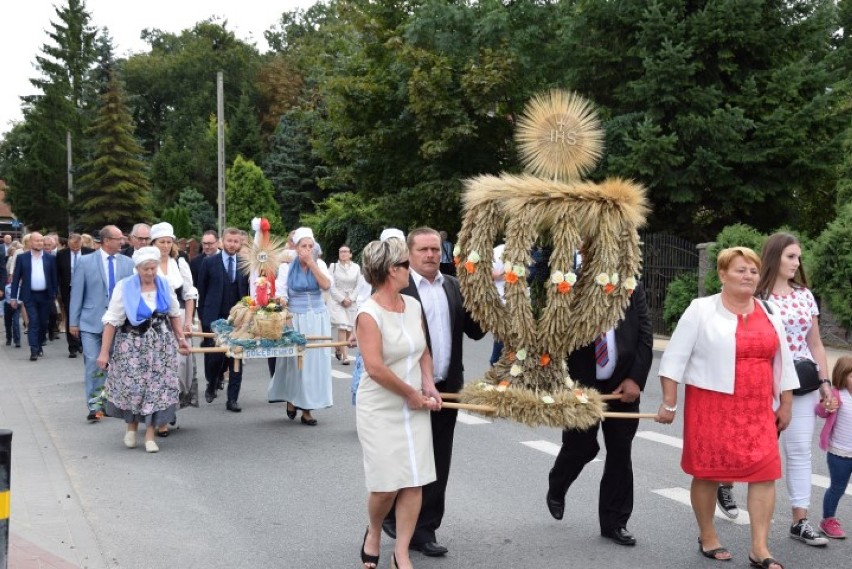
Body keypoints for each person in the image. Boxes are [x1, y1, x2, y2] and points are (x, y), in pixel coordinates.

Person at [656, 246, 798, 569]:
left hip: (758, 408)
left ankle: (759, 548)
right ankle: (708, 535)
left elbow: (783, 361)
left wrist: (785, 403)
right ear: (722, 275)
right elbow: (674, 358)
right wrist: (669, 402)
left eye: (753, 271)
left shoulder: (768, 312)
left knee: (765, 473)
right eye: (740, 270)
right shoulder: (700, 310)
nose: (748, 276)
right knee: (707, 472)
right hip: (712, 406)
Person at [382, 227, 485, 557]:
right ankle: (390, 515)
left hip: (446, 386)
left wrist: (490, 297)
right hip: (407, 388)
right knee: (405, 458)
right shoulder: (399, 286)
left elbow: (476, 330)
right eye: (424, 250)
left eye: (435, 249)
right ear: (409, 254)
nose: (430, 255)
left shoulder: (453, 286)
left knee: (439, 459)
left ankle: (425, 529)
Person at [356, 238, 441, 569]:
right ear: (392, 270)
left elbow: (422, 351)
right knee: (386, 485)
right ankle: (374, 531)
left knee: (414, 478)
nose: (411, 269)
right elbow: (375, 368)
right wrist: (410, 394)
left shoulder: (413, 306)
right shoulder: (368, 313)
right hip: (381, 406)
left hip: (415, 402)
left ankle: (401, 551)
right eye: (406, 264)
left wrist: (429, 385)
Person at [546, 284, 652, 546]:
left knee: (620, 452)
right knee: (580, 446)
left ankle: (615, 523)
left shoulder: (631, 284)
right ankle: (558, 485)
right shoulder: (569, 281)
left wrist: (635, 379)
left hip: (622, 384)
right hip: (581, 382)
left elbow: (645, 334)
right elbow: (552, 331)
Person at [757, 232, 834, 547]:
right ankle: (725, 482)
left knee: (800, 450)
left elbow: (814, 343)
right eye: (791, 256)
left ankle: (800, 520)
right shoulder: (757, 296)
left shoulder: (805, 294)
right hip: (766, 383)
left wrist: (826, 383)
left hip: (803, 382)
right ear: (775, 257)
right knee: (757, 449)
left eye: (798, 257)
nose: (796, 262)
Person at [97, 247, 190, 453]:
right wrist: (104, 353)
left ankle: (149, 435)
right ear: (137, 268)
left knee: (156, 390)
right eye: (146, 269)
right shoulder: (124, 287)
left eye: (153, 268)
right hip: (132, 345)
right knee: (134, 389)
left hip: (160, 346)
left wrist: (181, 339)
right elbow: (112, 321)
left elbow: (174, 314)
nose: (150, 272)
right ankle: (131, 427)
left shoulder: (164, 285)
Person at [69, 226, 136, 421]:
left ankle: (111, 403)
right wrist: (73, 321)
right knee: (93, 362)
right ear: (106, 241)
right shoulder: (85, 261)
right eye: (118, 239)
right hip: (91, 321)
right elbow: (77, 293)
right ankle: (95, 406)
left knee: (114, 363)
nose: (122, 242)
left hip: (119, 323)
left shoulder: (128, 263)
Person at [269, 227, 332, 425]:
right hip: (296, 318)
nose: (307, 249)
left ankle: (307, 409)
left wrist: (312, 263)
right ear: (296, 248)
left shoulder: (319, 263)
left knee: (315, 363)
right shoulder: (287, 267)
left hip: (318, 317)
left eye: (310, 246)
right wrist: (282, 301)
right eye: (303, 246)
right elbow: (281, 291)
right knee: (296, 363)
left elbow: (326, 285)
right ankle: (291, 398)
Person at [150, 222, 199, 432]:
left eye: (169, 242)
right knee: (159, 369)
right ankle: (160, 417)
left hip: (177, 318)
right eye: (162, 242)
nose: (165, 245)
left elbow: (189, 294)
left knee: (178, 368)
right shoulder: (147, 264)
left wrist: (188, 320)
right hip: (155, 322)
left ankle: (170, 408)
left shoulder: (179, 263)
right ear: (154, 243)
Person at [197, 227, 249, 411]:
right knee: (216, 357)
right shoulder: (209, 263)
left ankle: (232, 399)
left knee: (236, 357)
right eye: (229, 241)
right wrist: (202, 317)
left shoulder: (245, 263)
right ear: (222, 241)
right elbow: (201, 292)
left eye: (236, 241)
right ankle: (212, 382)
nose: (232, 244)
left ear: (240, 243)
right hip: (214, 316)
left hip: (238, 318)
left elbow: (248, 291)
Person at [816, 356, 852, 539]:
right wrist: (827, 405)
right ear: (842, 376)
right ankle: (828, 520)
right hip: (840, 453)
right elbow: (820, 411)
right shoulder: (837, 395)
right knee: (838, 487)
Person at [9, 232, 58, 362]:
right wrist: (13, 297)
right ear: (30, 242)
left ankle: (40, 342)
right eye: (36, 241)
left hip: (45, 296)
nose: (39, 243)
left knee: (43, 323)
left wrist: (54, 294)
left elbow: (54, 278)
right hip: (29, 295)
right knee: (33, 321)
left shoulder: (50, 258)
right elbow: (15, 279)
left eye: (41, 241)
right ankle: (34, 350)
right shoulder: (22, 258)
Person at [56, 234, 94, 358]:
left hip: (87, 289)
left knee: (85, 315)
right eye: (73, 247)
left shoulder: (90, 253)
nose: (75, 250)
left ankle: (83, 342)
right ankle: (72, 346)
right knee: (71, 316)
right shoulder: (62, 254)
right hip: (69, 290)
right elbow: (58, 273)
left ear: (81, 244)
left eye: (77, 247)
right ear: (68, 244)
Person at [327, 244, 365, 365]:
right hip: (337, 300)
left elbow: (359, 285)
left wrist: (351, 298)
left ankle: (339, 347)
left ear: (350, 254)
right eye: (341, 251)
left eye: (345, 251)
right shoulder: (333, 267)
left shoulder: (356, 267)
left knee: (349, 328)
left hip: (351, 301)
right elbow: (330, 285)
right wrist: (342, 299)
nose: (343, 254)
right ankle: (345, 356)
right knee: (342, 326)